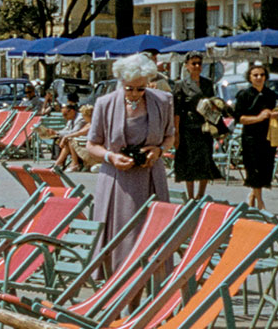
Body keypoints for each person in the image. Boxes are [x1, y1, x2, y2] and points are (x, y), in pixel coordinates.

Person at [86, 53, 175, 272]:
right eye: (129, 89)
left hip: (151, 177)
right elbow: (91, 144)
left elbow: (170, 136)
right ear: (121, 83)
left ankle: (151, 289)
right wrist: (111, 156)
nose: (135, 94)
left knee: (151, 235)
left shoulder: (163, 101)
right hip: (117, 180)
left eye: (141, 89)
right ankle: (117, 286)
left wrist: (159, 150)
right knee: (120, 237)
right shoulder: (104, 103)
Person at [170, 52, 223, 200]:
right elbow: (177, 111)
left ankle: (201, 194)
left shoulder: (207, 83)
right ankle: (190, 195)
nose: (197, 66)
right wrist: (176, 133)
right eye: (194, 63)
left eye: (199, 63)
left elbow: (213, 104)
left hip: (204, 128)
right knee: (189, 162)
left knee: (205, 159)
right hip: (188, 128)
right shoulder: (181, 85)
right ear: (187, 66)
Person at [233, 63, 278, 210]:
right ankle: (260, 202)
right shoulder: (244, 95)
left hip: (267, 137)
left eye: (262, 75)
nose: (259, 78)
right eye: (255, 75)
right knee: (253, 169)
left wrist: (275, 115)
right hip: (251, 138)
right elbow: (240, 119)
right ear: (250, 77)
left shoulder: (271, 95)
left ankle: (253, 196)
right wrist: (259, 118)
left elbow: (274, 111)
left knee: (265, 169)